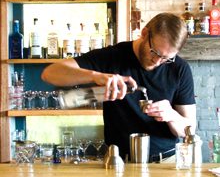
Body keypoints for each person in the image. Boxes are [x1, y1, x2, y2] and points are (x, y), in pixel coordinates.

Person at [41, 12, 196, 162]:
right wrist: (96, 76)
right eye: (154, 52)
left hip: (167, 162)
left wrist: (171, 115)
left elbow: (189, 129)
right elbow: (50, 73)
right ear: (144, 33)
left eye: (166, 59)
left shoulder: (179, 69)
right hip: (119, 162)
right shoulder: (111, 57)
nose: (157, 61)